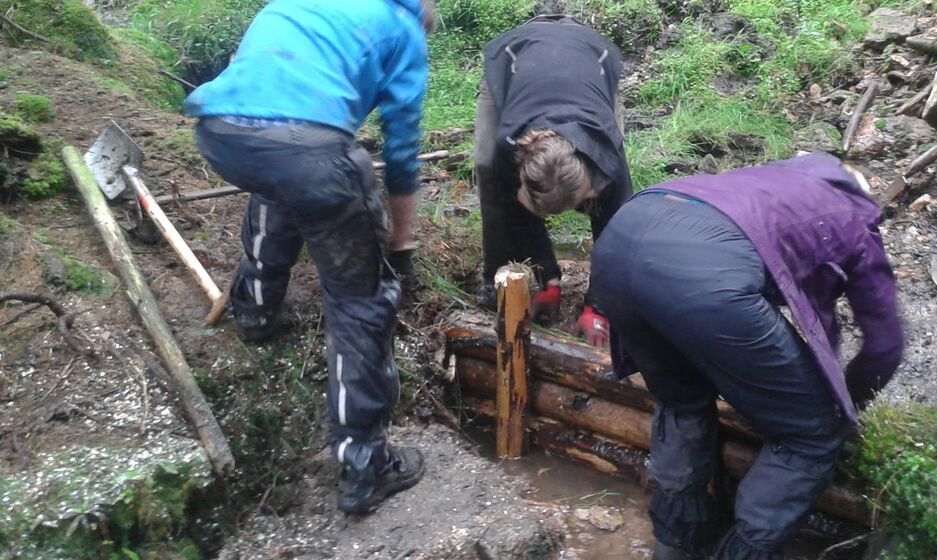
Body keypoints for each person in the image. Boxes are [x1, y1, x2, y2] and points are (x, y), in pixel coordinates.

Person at [185, 0, 434, 515]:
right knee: (359, 302)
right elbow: (403, 150)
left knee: (282, 179)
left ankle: (253, 309)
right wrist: (400, 244)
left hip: (221, 132)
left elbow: (252, 73)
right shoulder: (404, 28)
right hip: (310, 151)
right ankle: (366, 468)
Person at [590, 153, 905, 559]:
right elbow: (885, 345)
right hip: (704, 280)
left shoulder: (778, 179)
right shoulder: (853, 218)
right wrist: (844, 404)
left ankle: (675, 545)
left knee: (681, 400)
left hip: (620, 240)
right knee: (812, 433)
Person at [475, 14, 632, 346]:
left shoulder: (609, 163)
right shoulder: (510, 146)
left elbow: (617, 238)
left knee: (615, 213)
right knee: (486, 167)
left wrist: (599, 309)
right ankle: (494, 277)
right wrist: (549, 279)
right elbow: (514, 206)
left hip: (593, 58)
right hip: (514, 58)